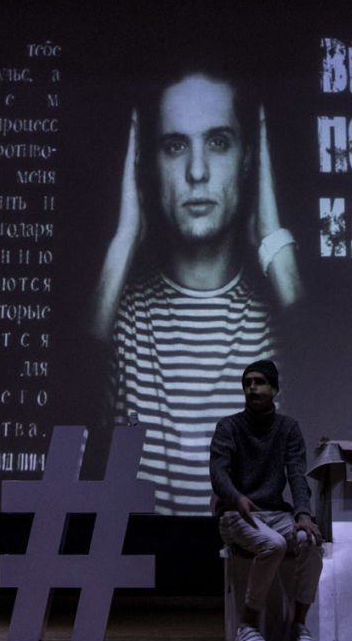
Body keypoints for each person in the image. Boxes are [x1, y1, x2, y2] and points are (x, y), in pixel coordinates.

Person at [90, 63, 305, 514]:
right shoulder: (122, 316)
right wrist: (124, 238)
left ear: (248, 160)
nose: (197, 171)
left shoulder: (276, 322)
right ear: (146, 165)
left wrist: (271, 234)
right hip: (141, 557)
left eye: (219, 142)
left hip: (245, 550)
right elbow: (73, 407)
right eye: (174, 146)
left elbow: (325, 376)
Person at [210, 358, 324, 641]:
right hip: (234, 514)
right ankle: (247, 625)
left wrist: (303, 514)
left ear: (274, 389)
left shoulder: (288, 428)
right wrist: (236, 497)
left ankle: (299, 624)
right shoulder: (229, 427)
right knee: (273, 545)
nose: (252, 388)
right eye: (247, 383)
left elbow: (297, 474)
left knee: (310, 542)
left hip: (275, 513)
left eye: (259, 382)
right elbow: (218, 472)